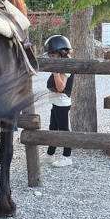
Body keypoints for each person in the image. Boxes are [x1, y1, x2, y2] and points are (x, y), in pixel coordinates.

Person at [42, 34, 75, 167]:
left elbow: (61, 87)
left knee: (63, 130)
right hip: (56, 102)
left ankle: (67, 156)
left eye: (53, 55)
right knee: (53, 128)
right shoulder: (60, 64)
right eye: (49, 56)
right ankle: (50, 154)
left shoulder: (65, 67)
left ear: (62, 53)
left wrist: (55, 72)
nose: (51, 58)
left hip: (62, 103)